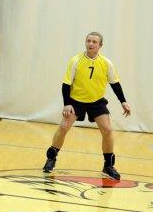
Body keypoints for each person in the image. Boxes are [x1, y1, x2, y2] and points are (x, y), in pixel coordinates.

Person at [42, 32, 131, 180]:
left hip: (96, 101)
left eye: (94, 42)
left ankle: (108, 166)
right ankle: (51, 158)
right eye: (88, 41)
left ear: (100, 45)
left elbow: (115, 83)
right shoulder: (75, 61)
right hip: (76, 101)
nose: (91, 44)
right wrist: (67, 104)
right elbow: (66, 84)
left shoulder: (106, 63)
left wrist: (123, 101)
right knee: (63, 127)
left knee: (108, 130)